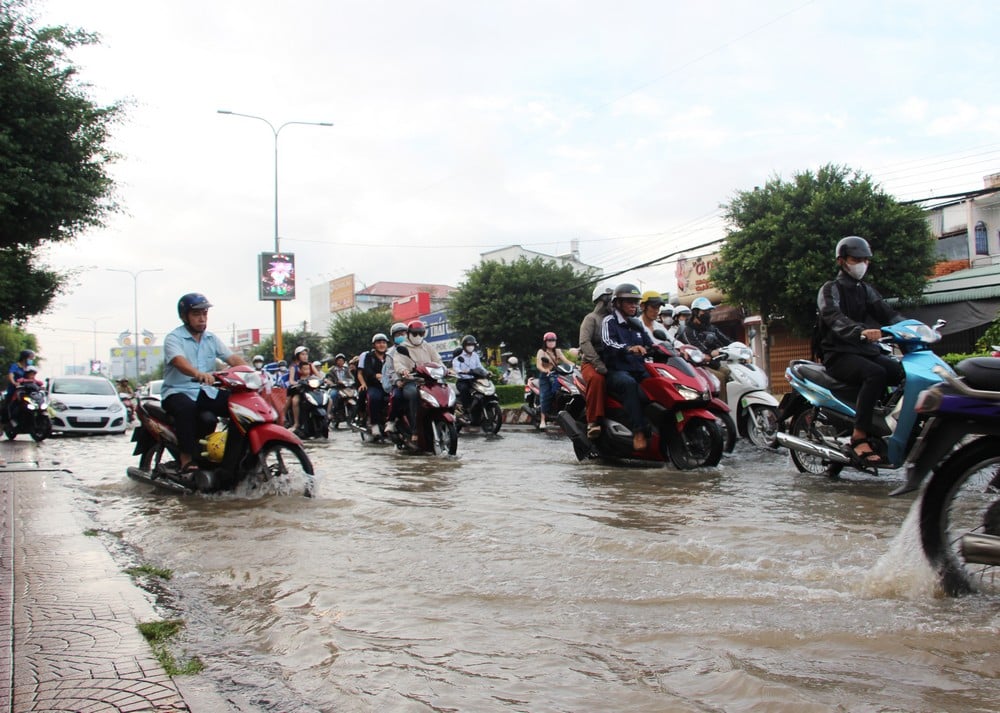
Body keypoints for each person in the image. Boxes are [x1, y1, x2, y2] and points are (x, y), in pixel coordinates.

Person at [818, 235, 904, 465]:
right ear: (841, 261)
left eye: (865, 260)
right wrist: (861, 331)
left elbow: (888, 313)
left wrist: (912, 328)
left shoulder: (865, 290)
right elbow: (833, 316)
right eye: (857, 259)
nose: (862, 264)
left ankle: (887, 423)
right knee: (875, 374)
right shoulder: (830, 289)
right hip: (838, 354)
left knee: (902, 372)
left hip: (865, 351)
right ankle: (860, 435)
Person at [161, 293, 246, 474]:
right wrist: (197, 373)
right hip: (177, 392)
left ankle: (234, 458)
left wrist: (253, 373)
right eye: (196, 314)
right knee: (187, 408)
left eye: (204, 314)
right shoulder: (174, 338)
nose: (202, 319)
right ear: (184, 316)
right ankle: (186, 459)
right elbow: (178, 361)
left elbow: (232, 358)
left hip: (205, 392)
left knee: (240, 406)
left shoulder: (211, 339)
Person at [601, 283, 653, 451]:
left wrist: (673, 350)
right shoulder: (609, 321)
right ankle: (638, 431)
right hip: (617, 371)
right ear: (617, 303)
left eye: (635, 302)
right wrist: (628, 348)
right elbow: (608, 344)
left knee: (658, 387)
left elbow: (650, 344)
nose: (633, 305)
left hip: (639, 370)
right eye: (629, 302)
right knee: (630, 385)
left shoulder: (637, 324)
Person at [391, 320, 440, 442]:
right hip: (411, 381)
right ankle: (415, 429)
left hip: (429, 380)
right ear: (408, 334)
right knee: (413, 394)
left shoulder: (428, 346)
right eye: (415, 333)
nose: (418, 336)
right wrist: (403, 371)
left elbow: (438, 360)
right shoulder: (402, 348)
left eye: (421, 333)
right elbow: (398, 363)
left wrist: (445, 369)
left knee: (445, 389)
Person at [579, 283, 613, 439]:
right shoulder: (591, 319)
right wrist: (598, 364)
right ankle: (593, 421)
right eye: (611, 299)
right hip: (591, 363)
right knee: (597, 379)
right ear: (602, 300)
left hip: (612, 361)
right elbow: (584, 343)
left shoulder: (615, 320)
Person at [682, 297, 733, 400]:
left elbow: (726, 340)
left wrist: (740, 347)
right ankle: (723, 409)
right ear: (695, 312)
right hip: (697, 366)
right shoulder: (689, 331)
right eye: (704, 311)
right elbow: (698, 348)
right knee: (720, 378)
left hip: (713, 364)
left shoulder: (711, 328)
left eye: (709, 311)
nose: (708, 314)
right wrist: (711, 353)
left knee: (731, 374)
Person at [535, 331, 572, 429]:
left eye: (553, 340)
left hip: (556, 374)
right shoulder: (541, 352)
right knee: (545, 395)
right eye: (549, 340)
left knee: (563, 392)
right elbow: (538, 365)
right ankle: (543, 420)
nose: (551, 342)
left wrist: (577, 366)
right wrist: (545, 370)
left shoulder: (558, 351)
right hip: (545, 376)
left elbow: (566, 361)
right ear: (545, 342)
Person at [359, 333, 389, 436]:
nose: (382, 345)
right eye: (379, 343)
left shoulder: (389, 356)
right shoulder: (369, 356)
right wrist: (375, 375)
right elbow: (366, 370)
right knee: (374, 398)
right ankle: (374, 424)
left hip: (389, 385)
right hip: (375, 386)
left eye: (384, 342)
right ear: (374, 345)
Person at [381, 322, 410, 429]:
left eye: (404, 333)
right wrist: (397, 381)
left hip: (415, 380)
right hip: (399, 383)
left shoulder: (414, 347)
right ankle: (391, 420)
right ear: (393, 337)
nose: (401, 336)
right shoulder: (390, 353)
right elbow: (391, 371)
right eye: (398, 335)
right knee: (396, 396)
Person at [453, 335, 484, 418]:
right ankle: (466, 409)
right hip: (462, 380)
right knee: (464, 389)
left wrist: (487, 372)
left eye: (472, 345)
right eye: (468, 345)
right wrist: (462, 372)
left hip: (474, 380)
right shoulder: (459, 356)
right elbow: (456, 368)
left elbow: (480, 367)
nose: (471, 347)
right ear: (464, 346)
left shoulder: (475, 355)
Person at [4, 349, 35, 421]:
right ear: (24, 358)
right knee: (7, 407)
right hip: (15, 390)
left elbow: (32, 377)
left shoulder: (29, 367)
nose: (31, 360)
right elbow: (11, 374)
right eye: (30, 358)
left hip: (26, 391)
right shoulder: (15, 366)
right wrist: (14, 382)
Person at [287, 345, 312, 433]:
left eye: (306, 354)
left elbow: (319, 376)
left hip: (311, 389)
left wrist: (324, 380)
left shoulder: (309, 365)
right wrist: (298, 383)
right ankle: (296, 423)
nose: (305, 356)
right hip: (299, 389)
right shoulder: (294, 366)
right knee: (295, 401)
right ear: (297, 355)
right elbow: (291, 380)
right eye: (302, 354)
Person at [325, 353, 352, 421]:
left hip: (345, 388)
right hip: (336, 388)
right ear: (336, 361)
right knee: (333, 395)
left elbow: (351, 378)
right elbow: (328, 379)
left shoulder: (347, 369)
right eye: (339, 360)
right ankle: (331, 412)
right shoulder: (332, 370)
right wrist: (333, 383)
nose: (340, 362)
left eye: (342, 360)